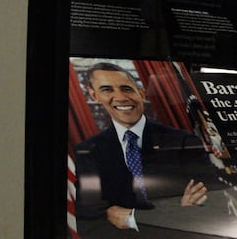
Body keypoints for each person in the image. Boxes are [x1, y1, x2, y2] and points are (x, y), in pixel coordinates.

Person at [74, 62, 212, 236]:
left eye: (127, 89)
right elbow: (91, 220)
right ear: (94, 95)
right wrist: (176, 213)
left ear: (141, 93)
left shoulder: (183, 141)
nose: (121, 97)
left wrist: (132, 218)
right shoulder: (88, 152)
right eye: (107, 90)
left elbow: (210, 204)